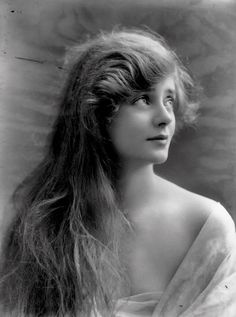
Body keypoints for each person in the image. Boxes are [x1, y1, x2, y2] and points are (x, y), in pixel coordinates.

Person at [0, 28, 236, 317]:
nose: (165, 117)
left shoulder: (205, 226)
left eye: (169, 100)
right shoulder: (43, 226)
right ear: (98, 112)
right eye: (143, 100)